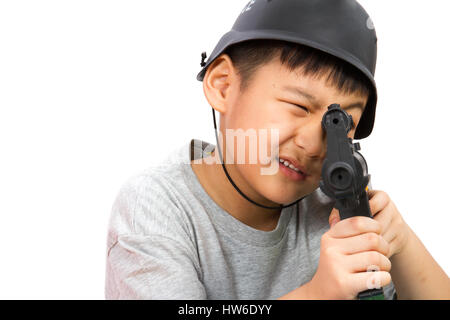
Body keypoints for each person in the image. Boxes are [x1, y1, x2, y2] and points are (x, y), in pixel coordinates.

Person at [105, 0, 450, 299]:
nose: (314, 144)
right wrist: (318, 294)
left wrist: (400, 242)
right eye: (298, 107)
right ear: (223, 86)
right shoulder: (154, 209)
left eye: (341, 125)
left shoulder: (333, 211)